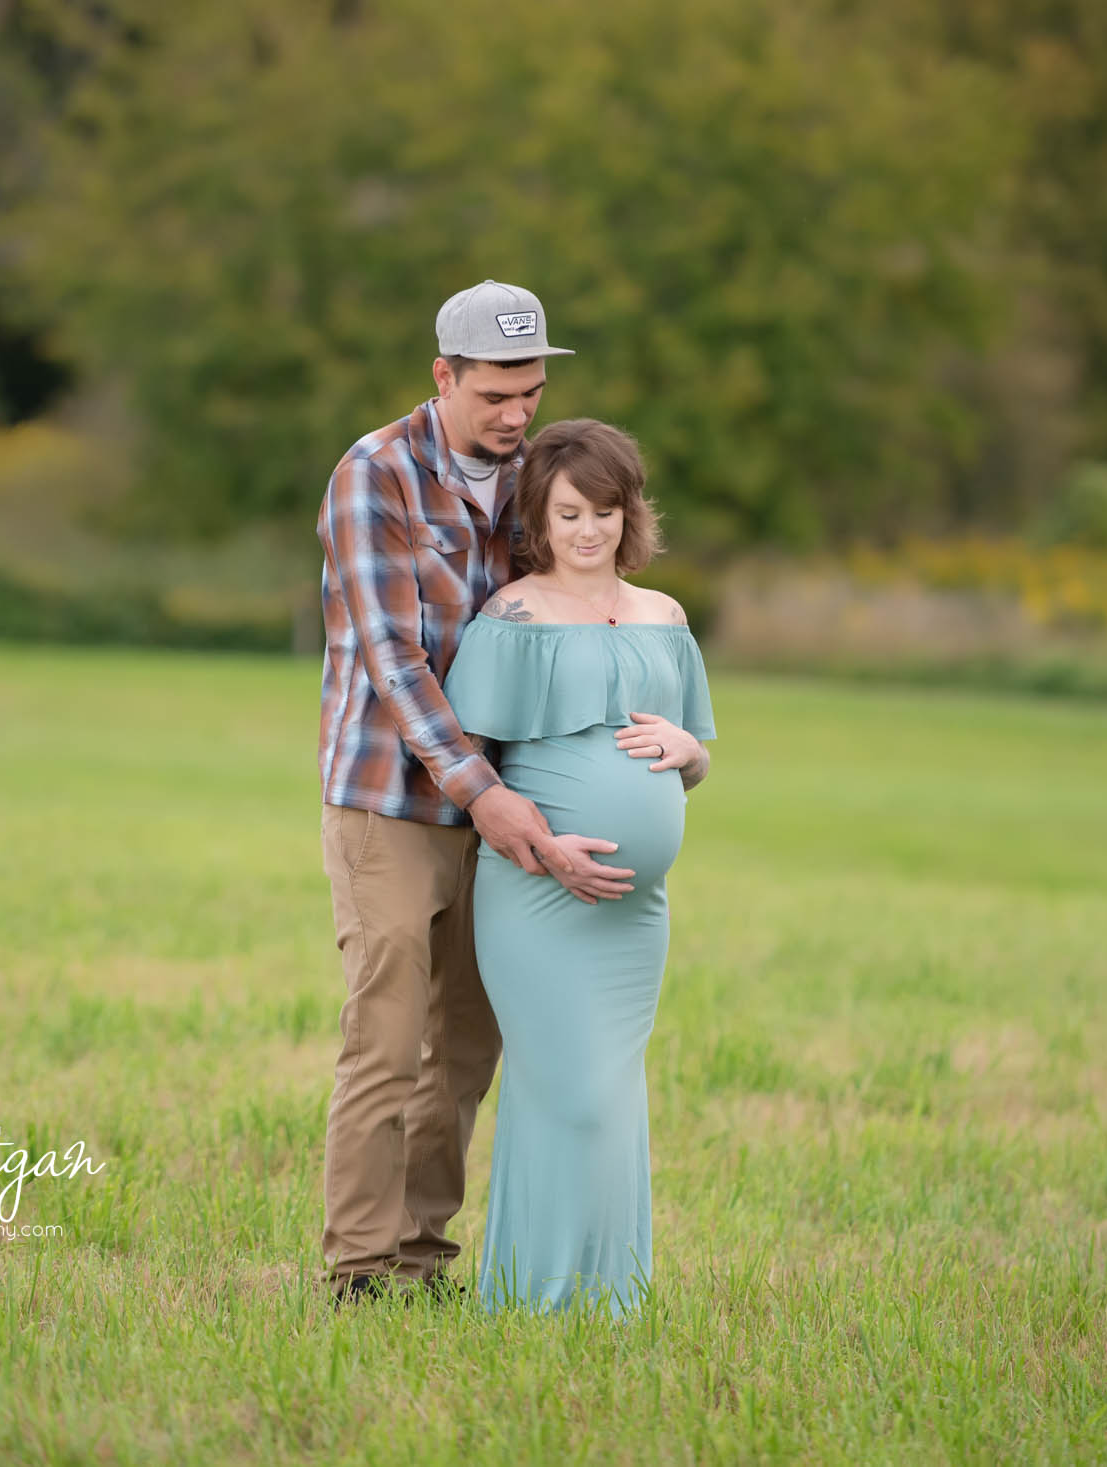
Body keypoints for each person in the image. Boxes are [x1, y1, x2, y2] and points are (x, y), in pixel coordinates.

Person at [315, 282, 702, 1304]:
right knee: (389, 1037)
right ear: (442, 376)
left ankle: (420, 1258)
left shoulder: (528, 476)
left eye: (529, 392)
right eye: (493, 394)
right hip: (392, 801)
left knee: (466, 1049)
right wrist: (486, 794)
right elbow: (394, 661)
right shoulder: (374, 475)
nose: (514, 413)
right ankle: (358, 1270)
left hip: (504, 815)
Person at [442, 418, 717, 1316]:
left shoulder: (665, 617)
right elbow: (469, 768)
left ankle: (608, 1299)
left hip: (635, 915)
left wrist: (688, 748)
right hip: (536, 894)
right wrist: (544, 848)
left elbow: (698, 760)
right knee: (564, 1090)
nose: (589, 529)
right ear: (541, 518)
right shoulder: (512, 616)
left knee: (613, 1097)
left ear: (629, 513)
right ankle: (533, 1296)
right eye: (569, 513)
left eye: (604, 510)